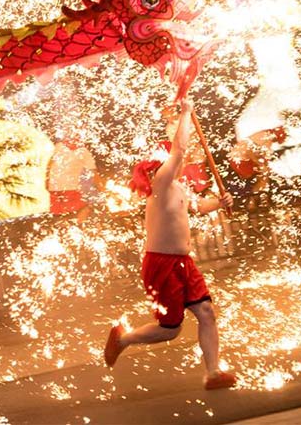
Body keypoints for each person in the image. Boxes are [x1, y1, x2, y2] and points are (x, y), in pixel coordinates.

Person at [104, 98, 237, 390]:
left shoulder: (178, 187)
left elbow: (200, 206)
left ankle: (213, 374)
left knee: (205, 313)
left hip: (183, 262)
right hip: (160, 264)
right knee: (170, 330)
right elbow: (180, 150)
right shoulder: (160, 184)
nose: (178, 163)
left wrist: (220, 201)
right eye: (168, 162)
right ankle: (122, 339)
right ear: (158, 168)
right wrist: (186, 113)